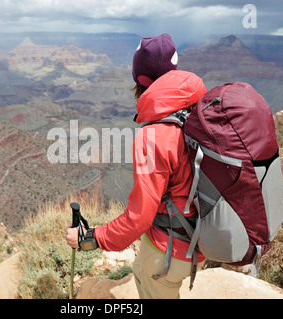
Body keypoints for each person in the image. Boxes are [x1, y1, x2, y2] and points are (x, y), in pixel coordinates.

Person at [64, 33, 207, 299]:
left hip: (173, 247)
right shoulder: (198, 107)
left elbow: (140, 216)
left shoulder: (152, 136)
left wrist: (93, 237)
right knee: (140, 270)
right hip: (201, 233)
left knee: (151, 278)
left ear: (141, 80)